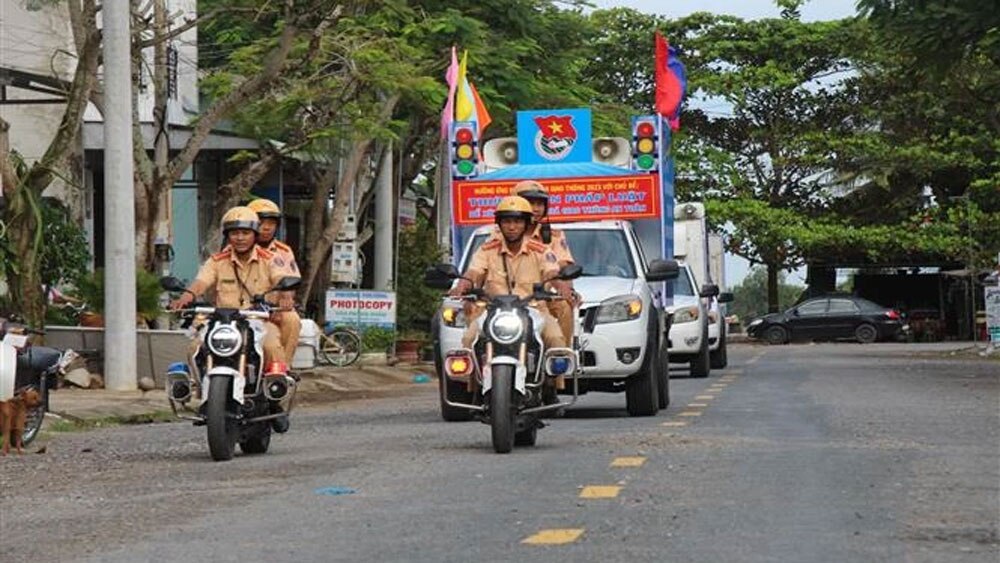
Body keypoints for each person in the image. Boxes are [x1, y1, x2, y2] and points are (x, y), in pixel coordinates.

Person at [168, 206, 296, 431]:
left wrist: (285, 295)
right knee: (195, 348)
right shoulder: (217, 261)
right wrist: (186, 296)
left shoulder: (270, 258)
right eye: (234, 233)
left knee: (271, 347)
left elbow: (281, 278)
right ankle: (204, 396)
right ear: (227, 236)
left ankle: (276, 399)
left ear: (255, 235)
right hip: (223, 322)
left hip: (258, 320)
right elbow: (202, 281)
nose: (240, 238)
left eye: (245, 233)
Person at [451, 196, 572, 399]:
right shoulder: (487, 249)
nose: (512, 227)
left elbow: (552, 272)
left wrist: (562, 287)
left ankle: (551, 387)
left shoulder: (541, 250)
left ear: (526, 225)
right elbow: (474, 272)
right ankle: (475, 390)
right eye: (507, 221)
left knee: (556, 339)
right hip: (493, 311)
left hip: (534, 309)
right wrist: (463, 284)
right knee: (469, 339)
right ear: (499, 224)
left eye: (517, 221)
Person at [510, 180, 579, 344]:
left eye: (540, 203)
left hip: (541, 300)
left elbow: (563, 265)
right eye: (530, 203)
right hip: (505, 301)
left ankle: (561, 356)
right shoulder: (499, 234)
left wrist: (567, 290)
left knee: (564, 306)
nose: (535, 208)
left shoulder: (553, 236)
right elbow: (479, 267)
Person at [246, 198, 302, 361]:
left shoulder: (283, 251)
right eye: (261, 222)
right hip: (240, 310)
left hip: (273, 310)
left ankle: (282, 370)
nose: (267, 227)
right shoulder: (234, 249)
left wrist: (286, 296)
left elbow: (289, 278)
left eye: (272, 222)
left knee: (292, 319)